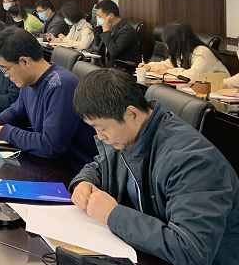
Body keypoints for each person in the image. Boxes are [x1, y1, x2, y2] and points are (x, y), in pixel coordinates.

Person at [70, 68, 239, 265]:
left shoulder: (193, 161)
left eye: (102, 128)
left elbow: (190, 250)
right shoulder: (130, 135)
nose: (100, 137)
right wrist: (84, 182)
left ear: (132, 114)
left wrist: (112, 215)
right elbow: (101, 164)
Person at [0, 27, 97, 173]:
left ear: (25, 61)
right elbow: (16, 112)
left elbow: (51, 146)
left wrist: (3, 132)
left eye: (6, 69)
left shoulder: (60, 85)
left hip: (70, 173)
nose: (5, 75)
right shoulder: (29, 80)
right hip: (46, 165)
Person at [139, 21, 229, 78]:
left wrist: (169, 72)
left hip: (219, 92)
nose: (167, 46)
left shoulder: (202, 52)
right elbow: (169, 64)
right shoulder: (182, 52)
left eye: (168, 43)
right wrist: (150, 66)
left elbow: (194, 75)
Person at [91, 0, 141, 67]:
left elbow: (114, 52)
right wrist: (98, 27)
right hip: (109, 64)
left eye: (99, 16)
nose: (98, 18)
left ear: (111, 16)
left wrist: (106, 31)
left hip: (123, 68)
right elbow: (98, 45)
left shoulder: (126, 30)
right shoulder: (109, 26)